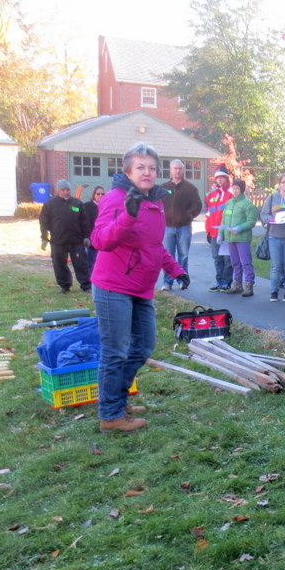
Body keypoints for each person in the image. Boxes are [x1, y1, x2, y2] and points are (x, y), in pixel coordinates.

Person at [90, 142, 189, 433]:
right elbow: (100, 240)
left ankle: (117, 402)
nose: (147, 173)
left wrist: (174, 269)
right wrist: (128, 216)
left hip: (141, 287)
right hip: (113, 286)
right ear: (127, 171)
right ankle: (110, 415)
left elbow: (154, 244)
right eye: (140, 167)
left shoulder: (156, 200)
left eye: (151, 168)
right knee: (115, 351)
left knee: (142, 347)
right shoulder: (115, 198)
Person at [39, 179, 92, 294]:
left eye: (68, 189)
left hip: (76, 241)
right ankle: (65, 286)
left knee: (81, 263)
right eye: (63, 190)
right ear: (59, 191)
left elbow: (84, 221)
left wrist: (86, 237)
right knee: (59, 264)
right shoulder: (50, 204)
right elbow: (44, 222)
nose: (66, 192)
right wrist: (44, 238)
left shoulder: (77, 204)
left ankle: (86, 285)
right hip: (58, 241)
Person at [159, 159, 202, 291]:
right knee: (168, 256)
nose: (178, 171)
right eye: (175, 168)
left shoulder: (190, 188)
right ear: (170, 170)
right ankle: (167, 282)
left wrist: (189, 215)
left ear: (183, 170)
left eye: (180, 168)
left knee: (183, 255)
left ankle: (183, 281)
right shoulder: (163, 188)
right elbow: (157, 205)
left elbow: (197, 205)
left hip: (184, 227)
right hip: (167, 228)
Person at [260, 173, 285, 302]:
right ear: (279, 183)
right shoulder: (272, 198)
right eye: (283, 182)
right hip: (274, 237)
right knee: (275, 266)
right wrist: (270, 219)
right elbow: (263, 214)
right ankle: (274, 291)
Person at [219, 178, 259, 297]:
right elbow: (224, 219)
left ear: (242, 190)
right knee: (235, 262)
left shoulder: (247, 204)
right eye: (234, 188)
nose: (235, 191)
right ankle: (237, 284)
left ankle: (249, 285)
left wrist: (240, 228)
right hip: (230, 238)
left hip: (242, 238)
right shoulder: (229, 203)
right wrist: (221, 233)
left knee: (245, 262)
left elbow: (252, 221)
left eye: (237, 189)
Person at [204, 167, 234, 292]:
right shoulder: (212, 194)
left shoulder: (231, 193)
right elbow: (209, 213)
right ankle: (219, 281)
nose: (220, 180)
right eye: (218, 178)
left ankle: (226, 282)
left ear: (226, 178)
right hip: (214, 232)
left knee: (227, 259)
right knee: (217, 258)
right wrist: (208, 230)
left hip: (226, 232)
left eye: (222, 178)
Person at [81, 186, 105, 271]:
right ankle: (91, 282)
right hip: (92, 240)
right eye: (98, 194)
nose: (100, 195)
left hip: (104, 241)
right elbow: (85, 223)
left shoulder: (107, 206)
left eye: (102, 194)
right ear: (93, 195)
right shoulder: (87, 206)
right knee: (92, 264)